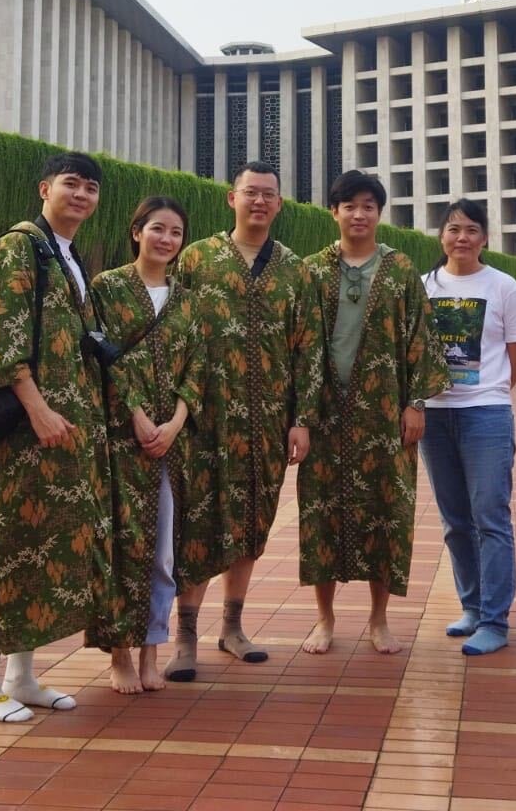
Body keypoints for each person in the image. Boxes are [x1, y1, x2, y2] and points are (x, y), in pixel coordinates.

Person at [0, 151, 112, 721]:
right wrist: (39, 409)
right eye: (71, 183)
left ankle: (22, 677)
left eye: (91, 187)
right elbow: (3, 340)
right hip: (28, 433)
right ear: (44, 188)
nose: (81, 195)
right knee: (8, 549)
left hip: (65, 435)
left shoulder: (65, 254)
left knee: (40, 550)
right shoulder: (20, 246)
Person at [167, 161, 324, 682]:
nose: (259, 202)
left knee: (253, 522)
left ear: (280, 205)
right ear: (230, 199)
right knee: (198, 524)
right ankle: (184, 634)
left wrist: (301, 418)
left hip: (268, 422)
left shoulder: (295, 271)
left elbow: (309, 350)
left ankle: (232, 627)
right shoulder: (196, 259)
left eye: (269, 195)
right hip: (204, 421)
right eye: (250, 193)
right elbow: (174, 334)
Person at [299, 170, 450, 655]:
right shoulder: (312, 269)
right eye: (349, 205)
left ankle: (379, 620)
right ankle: (324, 620)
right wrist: (299, 415)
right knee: (321, 515)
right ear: (334, 212)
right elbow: (298, 346)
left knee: (387, 512)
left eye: (368, 205)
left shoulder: (401, 269)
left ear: (379, 213)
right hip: (325, 413)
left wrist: (415, 403)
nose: (359, 214)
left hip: (385, 414)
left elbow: (421, 339)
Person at [86, 197, 205, 695]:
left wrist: (175, 422)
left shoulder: (188, 298)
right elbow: (99, 358)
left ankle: (151, 651)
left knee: (162, 551)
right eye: (158, 229)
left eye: (176, 232)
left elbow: (198, 367)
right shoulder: (107, 288)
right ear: (136, 232)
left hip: (171, 445)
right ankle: (118, 655)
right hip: (120, 440)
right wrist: (135, 416)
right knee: (118, 546)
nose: (167, 240)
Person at [419, 199, 516, 657]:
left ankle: (494, 619)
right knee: (455, 520)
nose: (461, 237)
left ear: (484, 238)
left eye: (471, 229)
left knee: (490, 516)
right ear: (441, 236)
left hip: (485, 412)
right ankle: (470, 606)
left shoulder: (503, 286)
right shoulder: (423, 285)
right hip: (434, 414)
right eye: (453, 229)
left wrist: (493, 389)